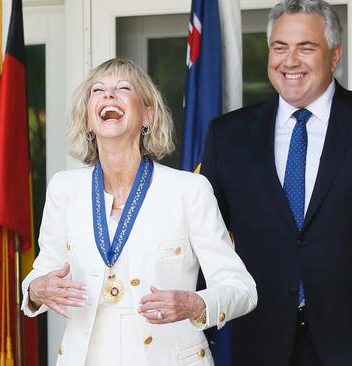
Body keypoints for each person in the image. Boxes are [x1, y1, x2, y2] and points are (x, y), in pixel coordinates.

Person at [201, 0, 352, 365]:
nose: (290, 60)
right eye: (280, 47)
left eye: (306, 47)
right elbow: (204, 237)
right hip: (261, 339)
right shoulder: (228, 135)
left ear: (334, 55)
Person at [21, 58, 257, 365]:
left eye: (122, 88)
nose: (108, 95)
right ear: (89, 120)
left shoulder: (189, 190)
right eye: (98, 90)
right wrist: (36, 290)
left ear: (148, 115)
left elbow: (243, 289)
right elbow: (42, 272)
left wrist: (196, 303)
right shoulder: (63, 188)